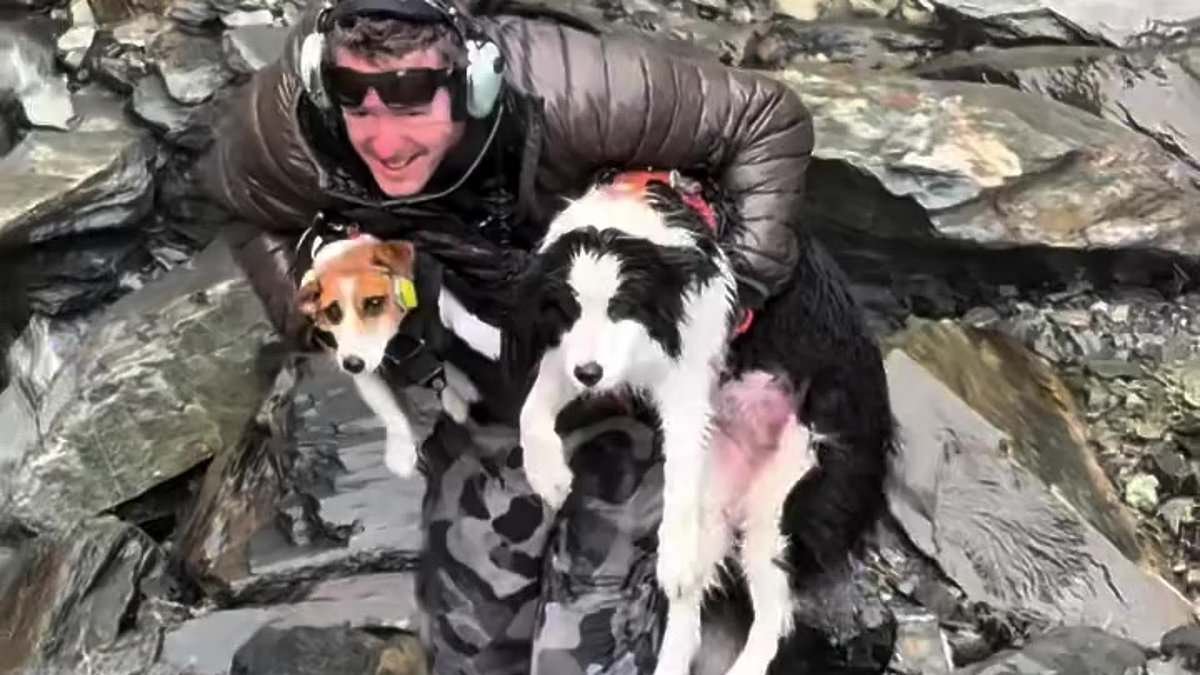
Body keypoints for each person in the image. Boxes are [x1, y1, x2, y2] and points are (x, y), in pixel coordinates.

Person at [201, 0, 815, 672]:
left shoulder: (574, 85)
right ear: (324, 83)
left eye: (412, 102)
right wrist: (312, 309)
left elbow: (765, 119)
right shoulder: (285, 123)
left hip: (627, 335)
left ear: (477, 81)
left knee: (583, 637)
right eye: (358, 103)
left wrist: (727, 299)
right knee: (473, 641)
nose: (383, 140)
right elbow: (242, 202)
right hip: (481, 349)